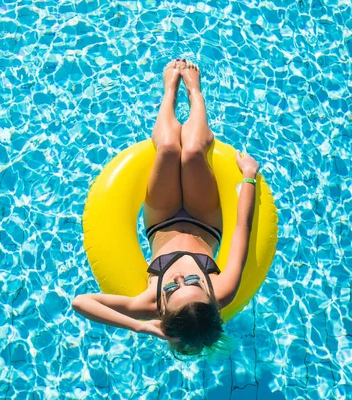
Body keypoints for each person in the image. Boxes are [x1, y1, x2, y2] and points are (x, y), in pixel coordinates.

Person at [72, 59, 260, 356]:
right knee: (194, 150)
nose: (178, 279)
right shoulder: (224, 289)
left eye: (172, 289)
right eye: (194, 282)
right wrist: (248, 176)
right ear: (211, 300)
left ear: (164, 314)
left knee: (171, 148)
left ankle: (169, 91)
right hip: (204, 219)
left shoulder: (148, 303)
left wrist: (141, 325)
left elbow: (80, 302)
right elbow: (242, 227)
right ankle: (195, 92)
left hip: (161, 220)